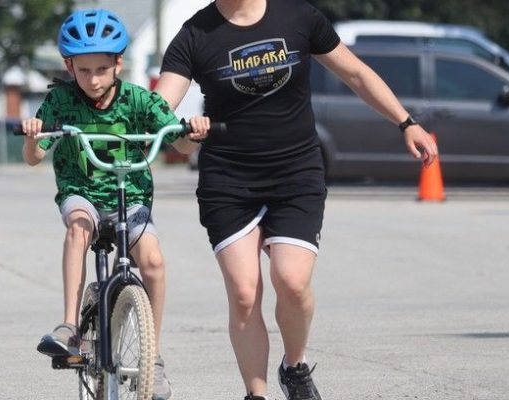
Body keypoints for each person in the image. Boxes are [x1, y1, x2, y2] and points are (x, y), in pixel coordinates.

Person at [152, 1, 438, 399]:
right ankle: (257, 393)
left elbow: (355, 73)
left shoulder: (298, 16)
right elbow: (159, 106)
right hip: (228, 180)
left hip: (295, 173)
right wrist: (174, 132)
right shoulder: (195, 34)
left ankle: (295, 365)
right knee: (244, 293)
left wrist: (406, 122)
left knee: (292, 281)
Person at [21, 8, 208, 400]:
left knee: (153, 263)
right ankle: (70, 328)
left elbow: (177, 141)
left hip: (131, 195)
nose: (93, 79)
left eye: (102, 69)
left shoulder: (140, 101)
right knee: (79, 228)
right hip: (82, 192)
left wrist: (194, 133)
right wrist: (33, 136)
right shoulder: (60, 102)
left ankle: (152, 359)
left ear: (118, 64)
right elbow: (34, 157)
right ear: (69, 66)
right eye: (84, 70)